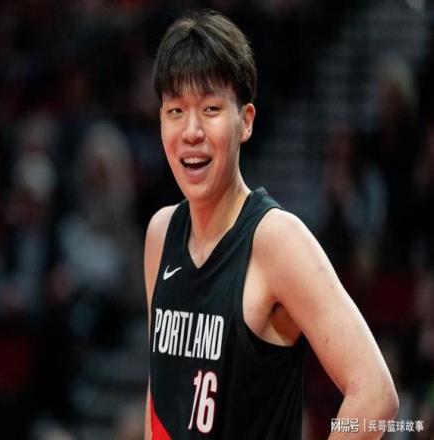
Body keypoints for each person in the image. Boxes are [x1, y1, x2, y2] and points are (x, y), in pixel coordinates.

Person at [144, 10, 398, 440]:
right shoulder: (160, 233)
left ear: (245, 121)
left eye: (210, 109)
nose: (191, 131)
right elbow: (160, 399)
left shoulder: (276, 239)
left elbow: (375, 393)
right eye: (176, 110)